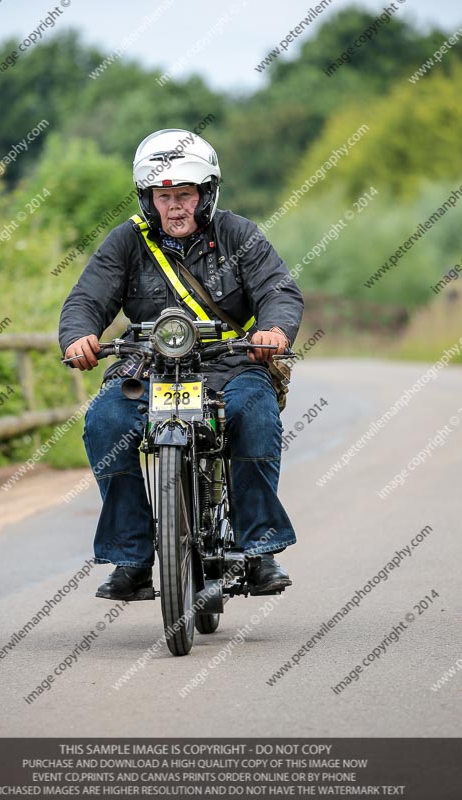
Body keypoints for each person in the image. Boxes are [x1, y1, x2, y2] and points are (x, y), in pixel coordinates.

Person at [59, 129, 304, 601]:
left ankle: (258, 550)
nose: (174, 206)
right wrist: (79, 336)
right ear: (149, 199)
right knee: (106, 421)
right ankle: (131, 558)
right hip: (147, 368)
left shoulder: (239, 234)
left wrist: (273, 331)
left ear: (207, 195)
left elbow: (279, 290)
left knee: (254, 414)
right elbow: (87, 298)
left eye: (185, 195)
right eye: (163, 195)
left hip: (228, 364)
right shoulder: (126, 242)